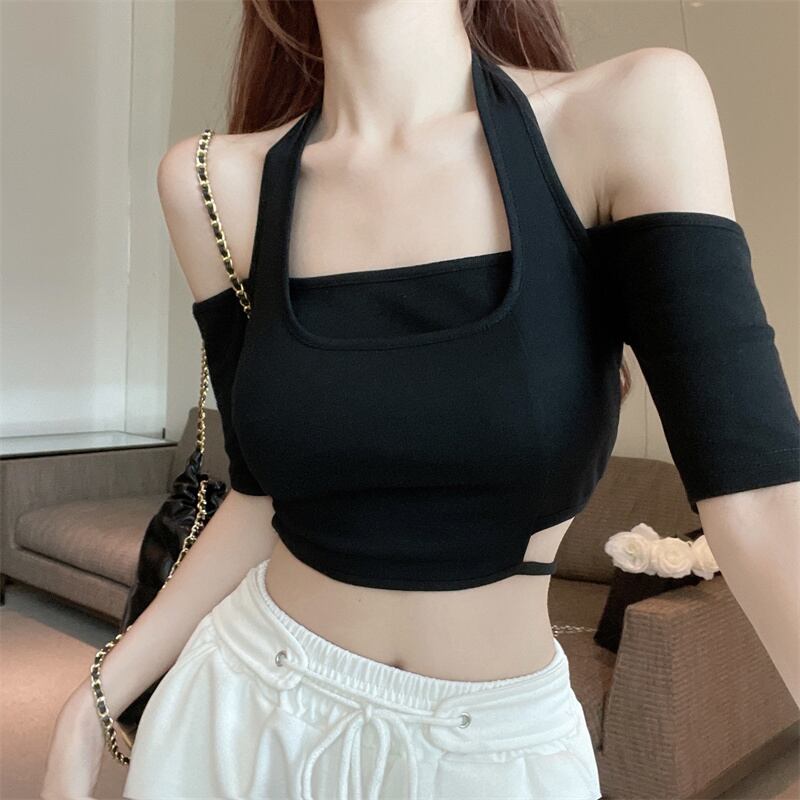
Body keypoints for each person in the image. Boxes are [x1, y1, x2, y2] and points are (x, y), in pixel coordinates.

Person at [42, 1, 800, 798]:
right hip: (239, 715)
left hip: (493, 756)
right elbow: (262, 498)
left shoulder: (627, 113)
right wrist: (90, 702)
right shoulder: (214, 184)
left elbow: (762, 500)